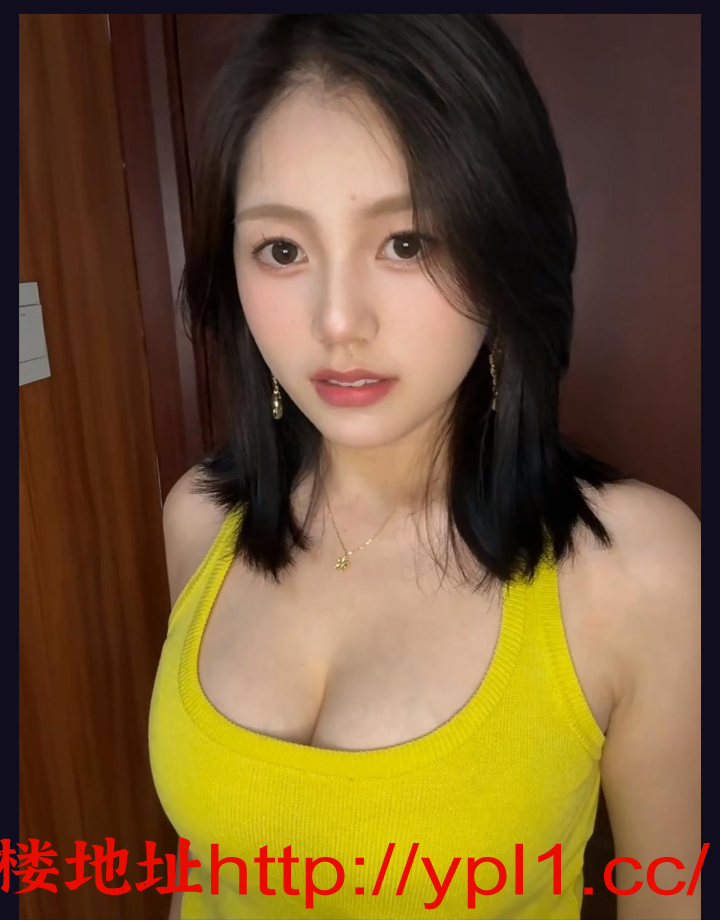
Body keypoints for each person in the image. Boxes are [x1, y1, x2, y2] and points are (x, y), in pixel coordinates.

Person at [149, 14, 701, 920]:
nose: (338, 321)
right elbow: (204, 873)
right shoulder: (201, 521)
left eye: (407, 241)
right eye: (282, 249)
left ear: (504, 248)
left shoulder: (639, 570)